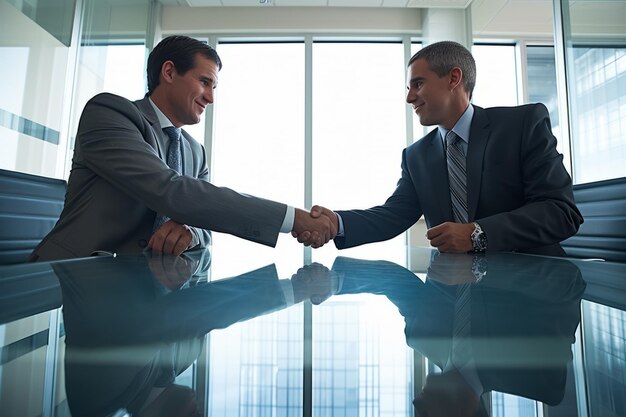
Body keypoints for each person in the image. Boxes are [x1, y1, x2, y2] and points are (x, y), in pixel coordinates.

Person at [30, 35, 335, 261]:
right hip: (68, 280)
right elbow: (170, 190)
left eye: (214, 87)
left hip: (145, 289)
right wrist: (293, 218)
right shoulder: (109, 113)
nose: (210, 97)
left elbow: (203, 224)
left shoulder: (194, 151)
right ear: (169, 72)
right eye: (205, 82)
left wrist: (190, 233)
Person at [296, 41, 582, 256]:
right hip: (454, 294)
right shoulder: (416, 156)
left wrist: (477, 234)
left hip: (535, 297)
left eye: (418, 84)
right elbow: (393, 216)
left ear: (453, 78)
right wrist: (336, 223)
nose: (409, 97)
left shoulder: (521, 125)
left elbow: (561, 212)